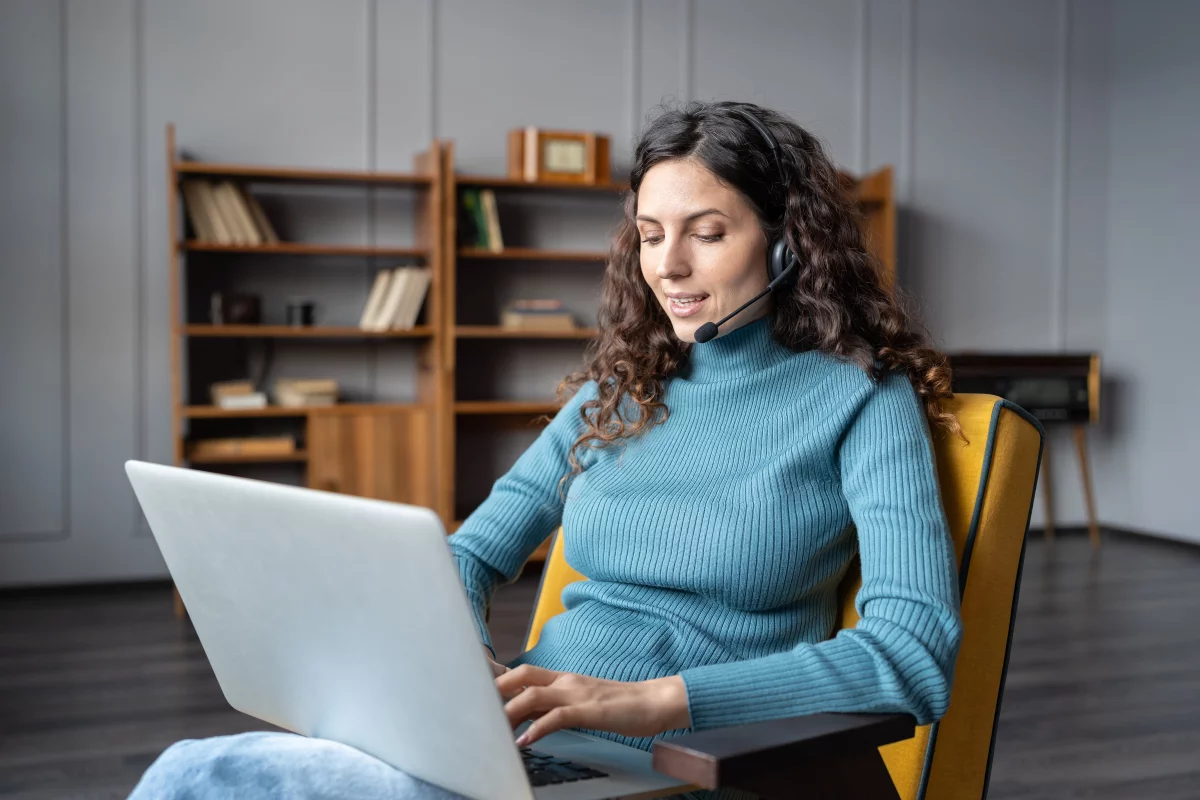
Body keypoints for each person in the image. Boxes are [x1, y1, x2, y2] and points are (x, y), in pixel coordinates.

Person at [130, 100, 964, 800]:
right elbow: (465, 555)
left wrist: (648, 702)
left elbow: (912, 654)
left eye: (706, 233)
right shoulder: (625, 387)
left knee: (197, 778)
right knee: (198, 773)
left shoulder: (863, 398)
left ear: (789, 242)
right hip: (520, 744)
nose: (666, 266)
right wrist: (461, 677)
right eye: (647, 234)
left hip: (662, 767)